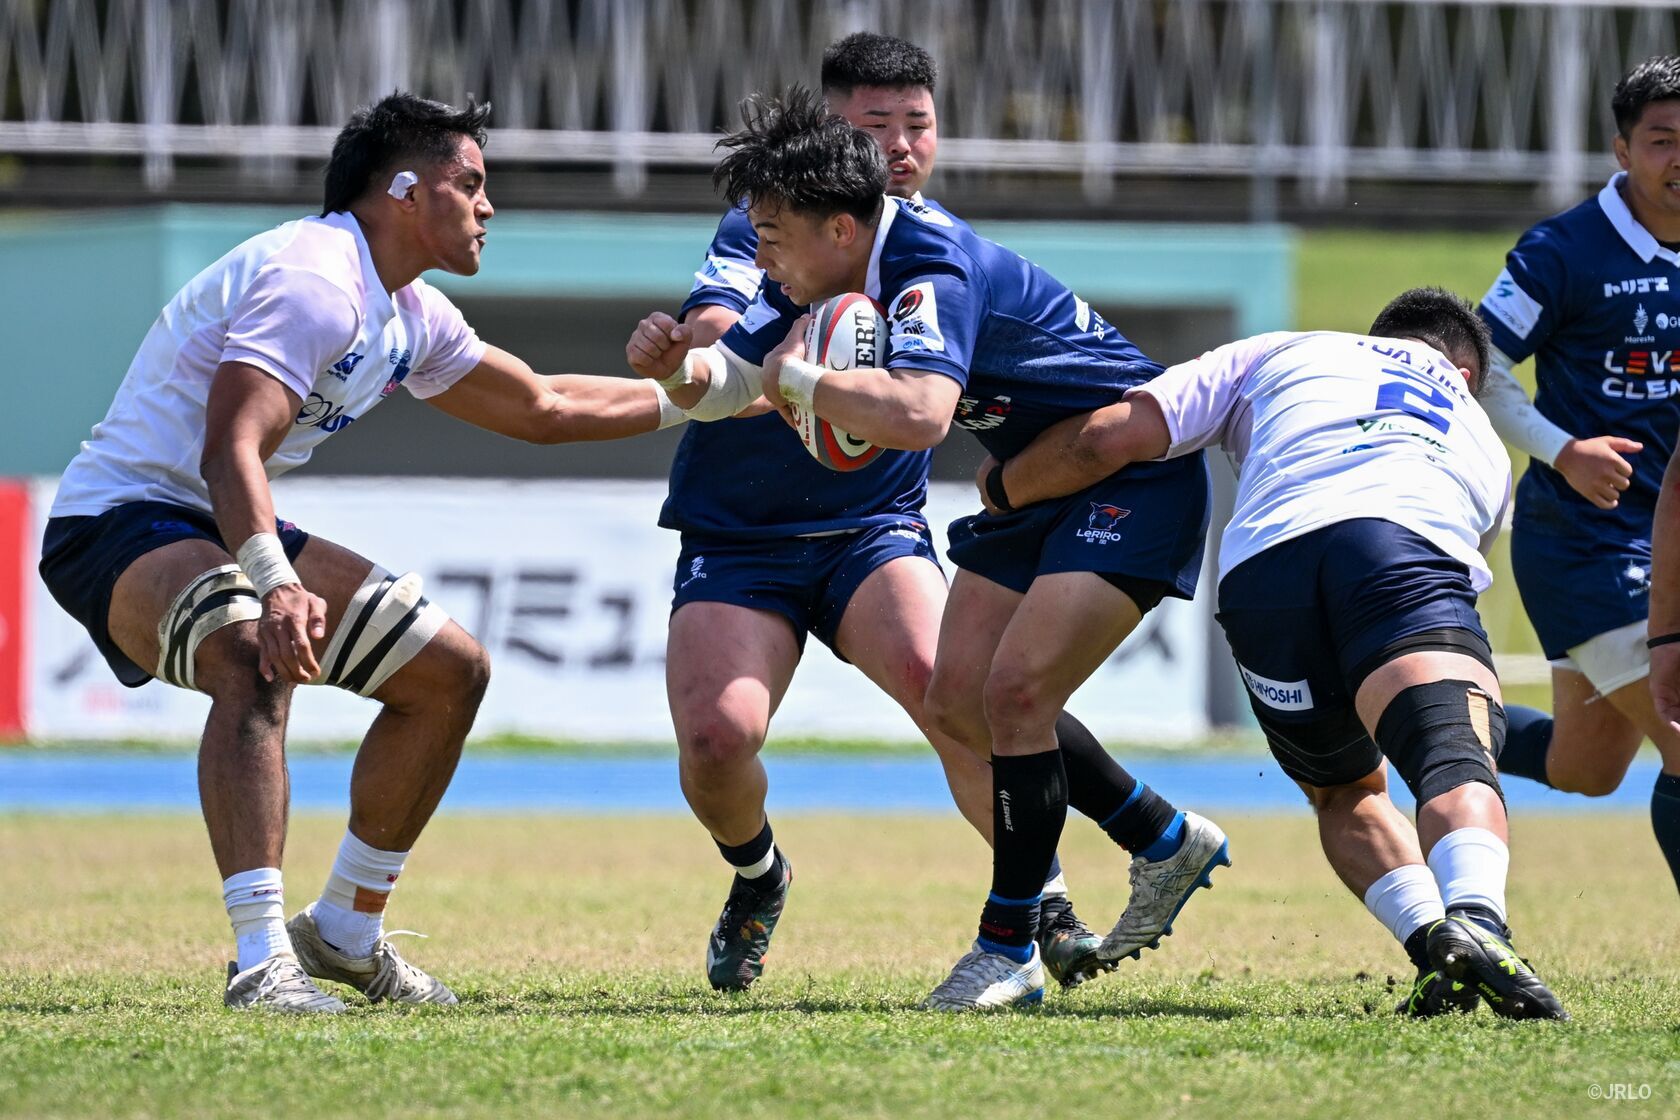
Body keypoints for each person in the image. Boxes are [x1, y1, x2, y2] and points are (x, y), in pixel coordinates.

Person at [37, 92, 682, 1013]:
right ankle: (262, 961)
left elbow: (544, 407)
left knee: (449, 674)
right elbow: (229, 449)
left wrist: (714, 398)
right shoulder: (315, 280)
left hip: (221, 520)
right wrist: (274, 583)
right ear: (406, 191)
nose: (488, 205)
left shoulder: (409, 312)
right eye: (471, 182)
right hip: (119, 519)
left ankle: (342, 929)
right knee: (249, 655)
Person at [632, 87, 1229, 1011]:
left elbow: (918, 416)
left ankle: (1012, 946)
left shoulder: (926, 264)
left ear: (839, 228)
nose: (760, 255)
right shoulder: (819, 268)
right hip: (1034, 476)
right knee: (961, 700)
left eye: (771, 236)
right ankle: (1158, 836)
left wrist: (802, 380)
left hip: (1121, 469)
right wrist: (676, 364)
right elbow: (729, 378)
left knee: (1011, 697)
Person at [993, 288, 1568, 1020]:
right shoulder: (1479, 434)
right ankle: (1480, 921)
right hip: (1399, 551)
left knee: (1346, 792)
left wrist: (1003, 485)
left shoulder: (1285, 348)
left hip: (1264, 578)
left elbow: (1111, 436)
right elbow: (1458, 566)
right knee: (1453, 757)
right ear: (1463, 373)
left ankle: (1433, 943)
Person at [1474, 55, 1680, 897]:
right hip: (1587, 541)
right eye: (1662, 140)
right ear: (1622, 151)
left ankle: (1420, 718)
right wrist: (1563, 450)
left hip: (1672, 535)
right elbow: (1477, 364)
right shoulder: (1563, 251)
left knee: (1585, 768)